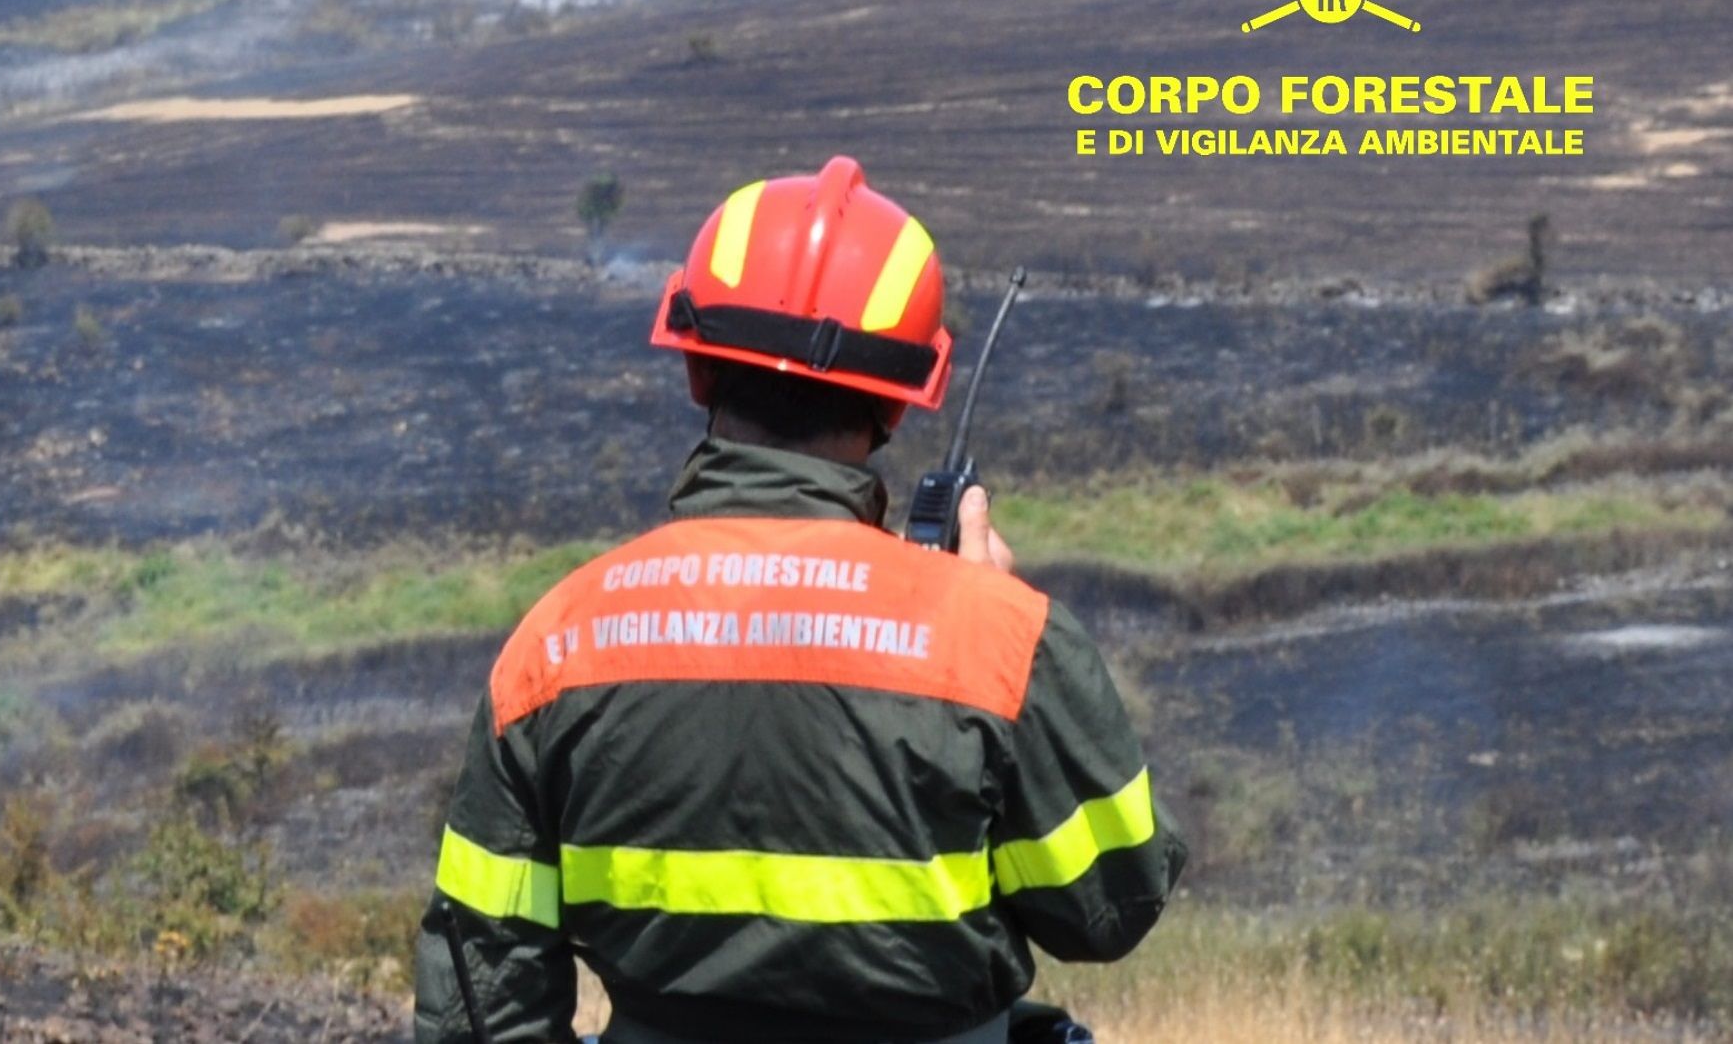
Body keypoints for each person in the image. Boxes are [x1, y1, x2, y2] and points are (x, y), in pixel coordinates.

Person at [412, 157, 1184, 1044]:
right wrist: (1003, 641)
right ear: (897, 402)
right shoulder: (992, 639)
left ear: (698, 373)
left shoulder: (555, 645)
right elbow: (1111, 906)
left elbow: (480, 989)